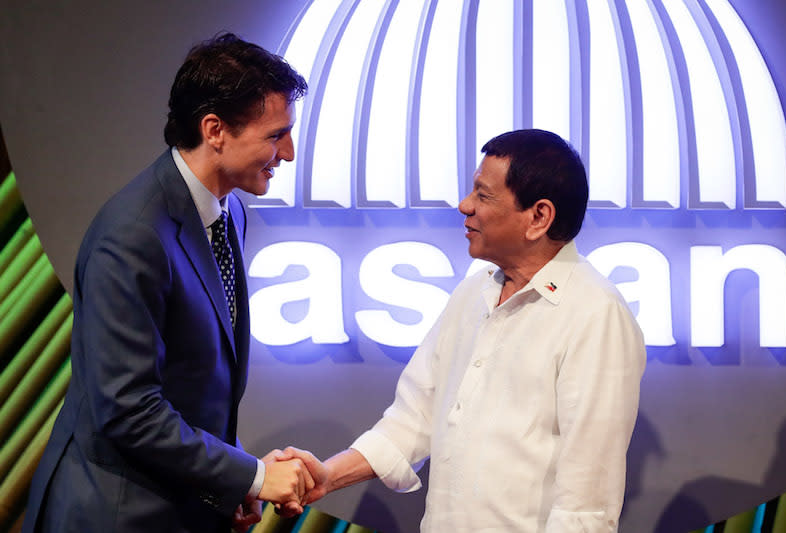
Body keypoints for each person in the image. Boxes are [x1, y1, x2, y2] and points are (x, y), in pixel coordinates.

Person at [23, 33, 319, 533]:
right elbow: (128, 409)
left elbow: (192, 386)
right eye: (275, 135)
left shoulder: (230, 216)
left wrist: (233, 483)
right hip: (116, 515)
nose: (287, 152)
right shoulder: (133, 234)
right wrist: (251, 476)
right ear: (215, 130)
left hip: (178, 506)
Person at [282, 129, 647, 532]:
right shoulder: (474, 291)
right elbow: (412, 420)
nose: (464, 205)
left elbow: (586, 504)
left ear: (538, 217)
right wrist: (328, 475)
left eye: (483, 195)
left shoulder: (596, 314)